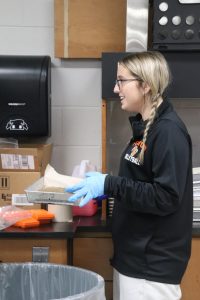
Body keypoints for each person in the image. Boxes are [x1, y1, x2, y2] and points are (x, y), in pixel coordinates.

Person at [66, 51, 193, 300]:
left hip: (151, 269)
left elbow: (166, 196)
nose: (115, 88)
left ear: (145, 85)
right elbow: (140, 183)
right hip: (134, 261)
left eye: (121, 80)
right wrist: (108, 187)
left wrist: (110, 183)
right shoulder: (146, 127)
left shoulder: (168, 132)